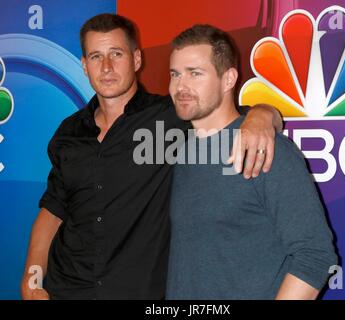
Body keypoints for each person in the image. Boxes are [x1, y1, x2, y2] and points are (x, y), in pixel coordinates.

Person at [20, 14, 282, 300]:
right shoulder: (68, 131)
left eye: (116, 54)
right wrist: (33, 277)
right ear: (84, 66)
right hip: (65, 289)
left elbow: (236, 116)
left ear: (136, 60)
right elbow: (53, 210)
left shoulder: (171, 117)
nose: (106, 67)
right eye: (96, 57)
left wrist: (262, 115)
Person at [166, 24, 338, 300]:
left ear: (228, 79)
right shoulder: (182, 150)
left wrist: (263, 114)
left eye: (195, 74)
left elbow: (315, 255)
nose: (180, 86)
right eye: (175, 74)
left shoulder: (269, 148)